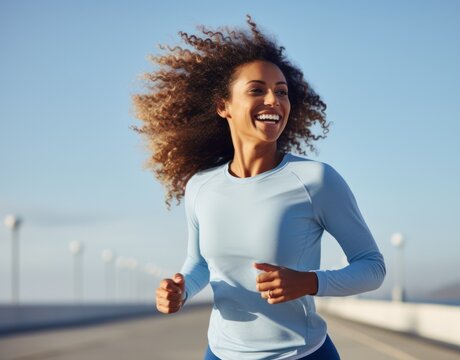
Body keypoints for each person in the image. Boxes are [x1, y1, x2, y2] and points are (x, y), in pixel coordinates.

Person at [132, 15, 386, 360]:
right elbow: (200, 264)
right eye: (257, 90)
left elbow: (371, 267)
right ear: (224, 106)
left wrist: (309, 281)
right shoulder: (201, 187)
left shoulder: (315, 180)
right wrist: (181, 290)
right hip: (221, 353)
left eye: (281, 92)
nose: (274, 100)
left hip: (303, 354)